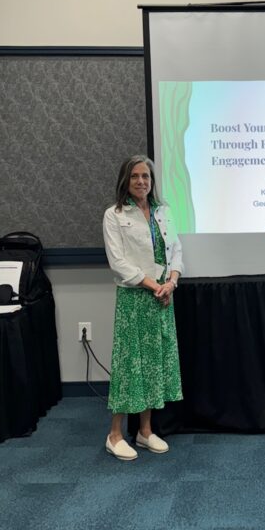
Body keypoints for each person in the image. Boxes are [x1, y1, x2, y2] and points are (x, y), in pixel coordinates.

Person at [102, 155, 183, 461]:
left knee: (152, 365)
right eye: (135, 176)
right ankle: (115, 434)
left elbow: (175, 250)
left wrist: (171, 283)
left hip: (162, 297)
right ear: (126, 180)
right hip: (136, 297)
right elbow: (118, 262)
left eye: (146, 177)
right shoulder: (114, 214)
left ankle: (145, 431)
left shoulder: (163, 211)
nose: (141, 182)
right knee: (129, 365)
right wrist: (153, 285)